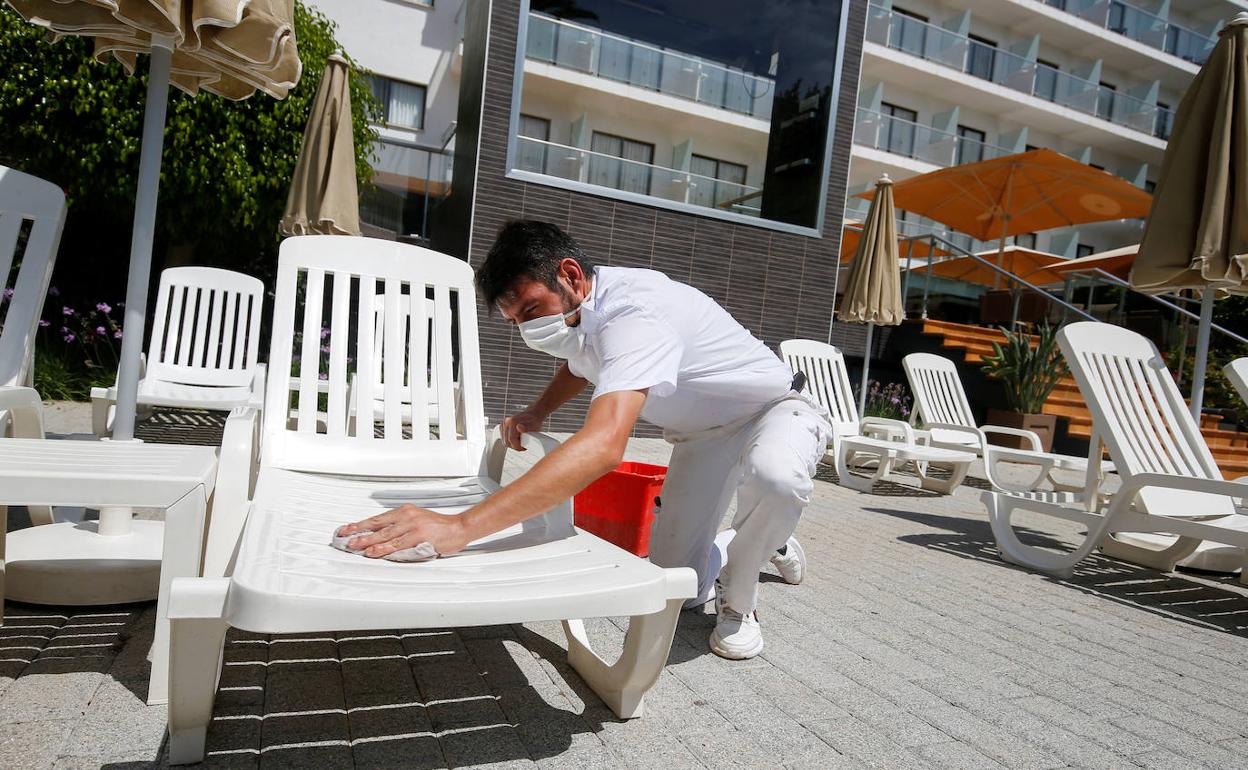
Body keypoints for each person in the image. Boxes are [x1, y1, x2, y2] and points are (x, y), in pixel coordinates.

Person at [339, 220, 831, 659]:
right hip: (702, 435)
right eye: (517, 322)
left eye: (532, 308)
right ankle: (770, 540)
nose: (530, 328)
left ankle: (741, 603)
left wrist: (461, 527)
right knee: (676, 586)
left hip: (773, 409)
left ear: (570, 275)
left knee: (775, 478)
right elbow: (580, 366)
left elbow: (602, 446)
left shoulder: (636, 314)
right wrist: (537, 412)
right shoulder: (585, 312)